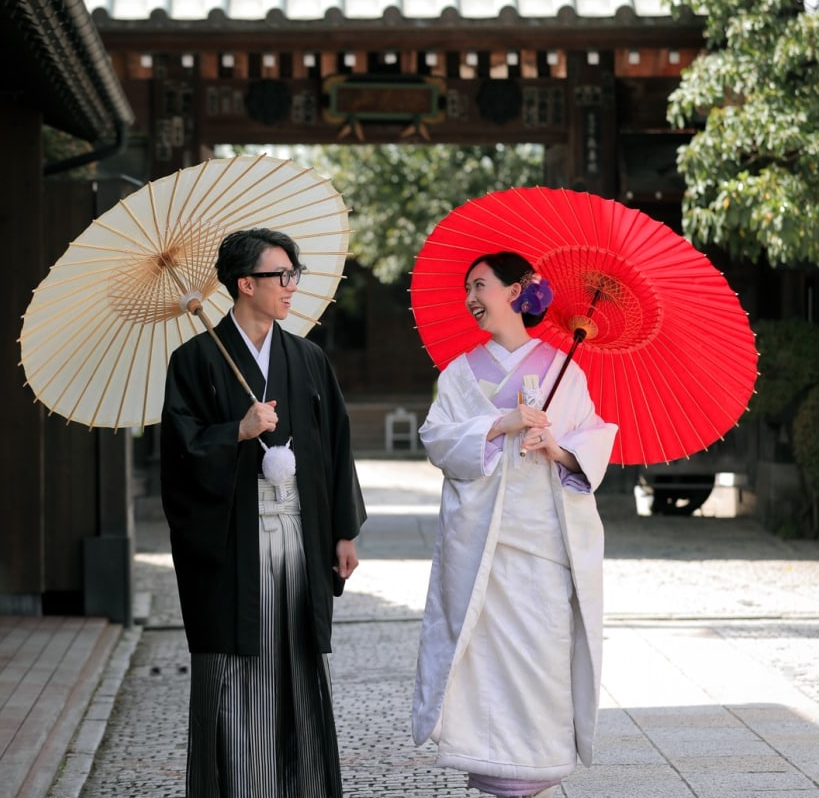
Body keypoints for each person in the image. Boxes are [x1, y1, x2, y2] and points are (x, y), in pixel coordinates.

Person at [161, 227, 366, 798]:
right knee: (238, 672)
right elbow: (178, 458)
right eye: (282, 276)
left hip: (299, 532)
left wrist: (344, 531)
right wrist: (236, 432)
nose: (292, 286)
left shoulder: (307, 358)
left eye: (294, 275)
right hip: (232, 542)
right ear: (245, 284)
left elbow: (336, 444)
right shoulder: (195, 360)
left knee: (297, 664)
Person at [412, 251, 618, 798]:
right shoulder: (459, 372)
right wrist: (500, 424)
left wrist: (558, 446)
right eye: (467, 290)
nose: (471, 299)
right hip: (484, 548)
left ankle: (538, 774)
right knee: (483, 668)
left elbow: (593, 436)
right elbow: (436, 438)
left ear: (516, 291)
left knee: (541, 661)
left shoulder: (562, 368)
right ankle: (491, 771)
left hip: (543, 546)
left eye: (480, 285)